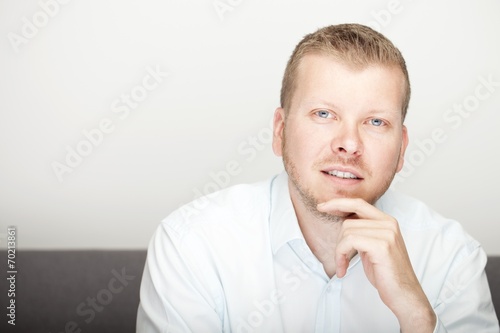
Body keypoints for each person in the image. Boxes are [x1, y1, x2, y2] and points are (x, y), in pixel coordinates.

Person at [136, 24, 499, 332]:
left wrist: (418, 316)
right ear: (280, 131)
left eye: (376, 122)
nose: (349, 144)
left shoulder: (452, 257)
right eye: (324, 114)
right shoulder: (192, 245)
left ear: (402, 148)